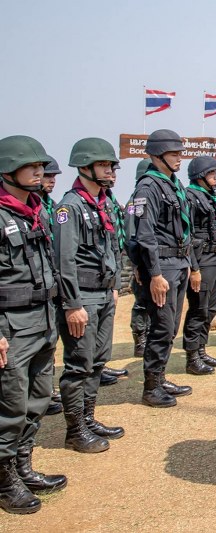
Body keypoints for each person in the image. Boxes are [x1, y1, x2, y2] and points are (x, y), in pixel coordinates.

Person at [0, 135, 66, 514]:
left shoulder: (37, 210)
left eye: (41, 165)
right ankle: (4, 479)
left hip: (42, 319)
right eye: (31, 165)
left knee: (38, 397)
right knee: (10, 404)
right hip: (11, 325)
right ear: (8, 170)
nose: (40, 171)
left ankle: (22, 465)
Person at [54, 137, 125, 453]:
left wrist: (114, 286)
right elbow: (64, 260)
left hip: (103, 293)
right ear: (84, 167)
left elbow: (113, 247)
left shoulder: (104, 202)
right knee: (79, 364)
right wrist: (72, 304)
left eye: (111, 165)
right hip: (81, 297)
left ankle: (88, 418)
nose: (110, 170)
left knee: (97, 360)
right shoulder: (69, 207)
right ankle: (75, 431)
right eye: (103, 165)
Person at [128, 129, 194, 408]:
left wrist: (188, 264)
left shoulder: (173, 185)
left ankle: (161, 377)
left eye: (179, 153)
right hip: (162, 266)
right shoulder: (148, 187)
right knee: (162, 326)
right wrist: (154, 274)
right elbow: (145, 235)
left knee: (171, 326)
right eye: (174, 154)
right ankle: (151, 387)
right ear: (157, 155)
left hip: (178, 263)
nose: (179, 158)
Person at [183, 156, 216, 376]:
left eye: (215, 173)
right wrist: (194, 268)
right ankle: (192, 357)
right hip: (202, 260)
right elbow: (187, 234)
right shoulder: (190, 197)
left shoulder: (211, 197)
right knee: (198, 309)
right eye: (211, 173)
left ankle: (201, 350)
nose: (215, 177)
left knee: (210, 309)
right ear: (200, 175)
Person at [98, 162, 129, 387]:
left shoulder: (109, 202)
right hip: (91, 277)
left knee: (104, 326)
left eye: (115, 170)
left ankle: (99, 365)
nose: (112, 174)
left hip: (111, 269)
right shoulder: (72, 206)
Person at [40, 157, 64, 416]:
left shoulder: (52, 207)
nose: (51, 180)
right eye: (48, 175)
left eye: (53, 176)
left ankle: (45, 390)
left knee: (49, 342)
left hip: (51, 285)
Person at [124, 159, 153, 358]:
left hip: (154, 261)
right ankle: (140, 339)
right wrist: (137, 264)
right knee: (142, 303)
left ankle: (150, 337)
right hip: (141, 263)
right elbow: (130, 236)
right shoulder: (134, 203)